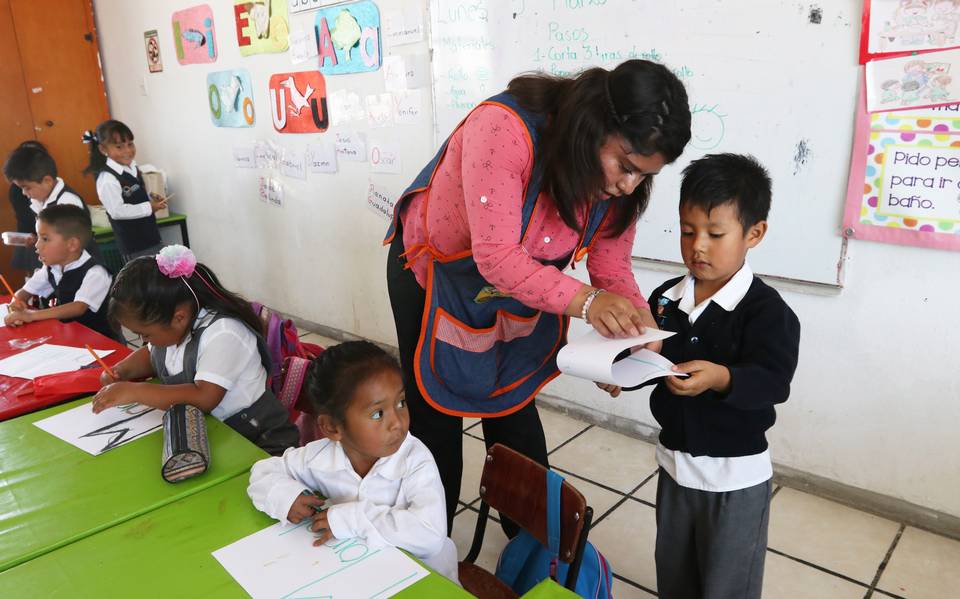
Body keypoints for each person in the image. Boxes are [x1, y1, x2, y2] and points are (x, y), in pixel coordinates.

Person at [384, 59, 692, 533]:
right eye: (625, 166)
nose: (627, 186)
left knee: (512, 402)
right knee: (436, 414)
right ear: (595, 128)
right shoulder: (505, 129)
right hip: (434, 279)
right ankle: (431, 549)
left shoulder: (621, 188)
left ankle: (531, 546)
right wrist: (590, 303)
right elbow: (497, 259)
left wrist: (636, 338)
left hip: (518, 287)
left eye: (644, 176)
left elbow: (610, 268)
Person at [602, 154, 801, 598]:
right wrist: (622, 371)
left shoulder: (768, 314)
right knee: (675, 574)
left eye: (715, 234)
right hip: (674, 466)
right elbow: (654, 359)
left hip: (735, 479)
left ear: (755, 233)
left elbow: (774, 382)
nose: (698, 247)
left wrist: (721, 378)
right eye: (688, 231)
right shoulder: (665, 300)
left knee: (726, 585)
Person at [247, 341, 459, 584]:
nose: (397, 423)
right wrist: (285, 497)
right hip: (358, 576)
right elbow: (265, 471)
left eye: (401, 402)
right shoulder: (320, 456)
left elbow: (429, 535)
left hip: (426, 579)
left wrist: (352, 519)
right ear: (332, 427)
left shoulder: (415, 460)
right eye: (378, 414)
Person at [91, 245, 299, 456]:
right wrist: (121, 371)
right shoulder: (171, 328)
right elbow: (152, 354)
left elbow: (204, 397)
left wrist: (134, 391)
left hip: (259, 440)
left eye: (145, 334)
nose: (144, 341)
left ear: (178, 318)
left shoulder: (224, 333)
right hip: (214, 432)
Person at [4, 204, 114, 339]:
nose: (37, 245)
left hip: (101, 341)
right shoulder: (52, 268)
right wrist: (17, 302)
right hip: (70, 337)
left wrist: (31, 315)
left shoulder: (96, 272)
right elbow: (25, 291)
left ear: (72, 244)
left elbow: (78, 307)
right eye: (38, 238)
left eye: (45, 239)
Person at [3, 141, 102, 270]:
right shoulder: (40, 199)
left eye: (26, 188)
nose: (24, 193)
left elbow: (67, 246)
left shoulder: (66, 202)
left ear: (47, 181)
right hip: (59, 266)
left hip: (81, 269)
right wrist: (39, 239)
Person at [83, 120, 166, 261]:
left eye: (130, 144)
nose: (128, 151)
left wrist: (151, 200)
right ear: (103, 150)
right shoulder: (107, 178)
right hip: (134, 245)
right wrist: (148, 207)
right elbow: (116, 211)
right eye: (119, 147)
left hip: (151, 237)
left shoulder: (132, 167)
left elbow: (135, 196)